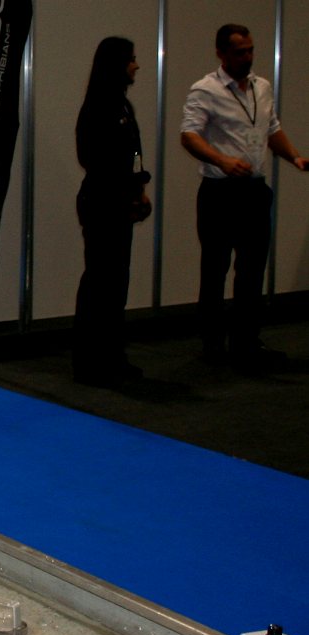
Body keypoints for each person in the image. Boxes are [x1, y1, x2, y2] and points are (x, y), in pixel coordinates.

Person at [180, 24, 308, 368]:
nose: (247, 57)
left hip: (254, 190)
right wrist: (221, 159)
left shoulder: (261, 87)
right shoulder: (204, 90)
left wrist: (294, 156)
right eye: (240, 52)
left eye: (251, 50)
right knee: (215, 268)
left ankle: (246, 342)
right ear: (221, 54)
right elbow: (189, 135)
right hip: (220, 192)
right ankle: (212, 343)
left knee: (251, 270)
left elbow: (272, 129)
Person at [72, 37, 152, 387]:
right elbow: (91, 158)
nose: (136, 66)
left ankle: (112, 356)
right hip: (102, 202)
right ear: (116, 63)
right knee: (100, 282)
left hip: (119, 202)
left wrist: (138, 190)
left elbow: (133, 156)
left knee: (116, 283)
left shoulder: (123, 107)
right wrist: (125, 186)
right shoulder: (97, 107)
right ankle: (91, 362)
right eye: (131, 60)